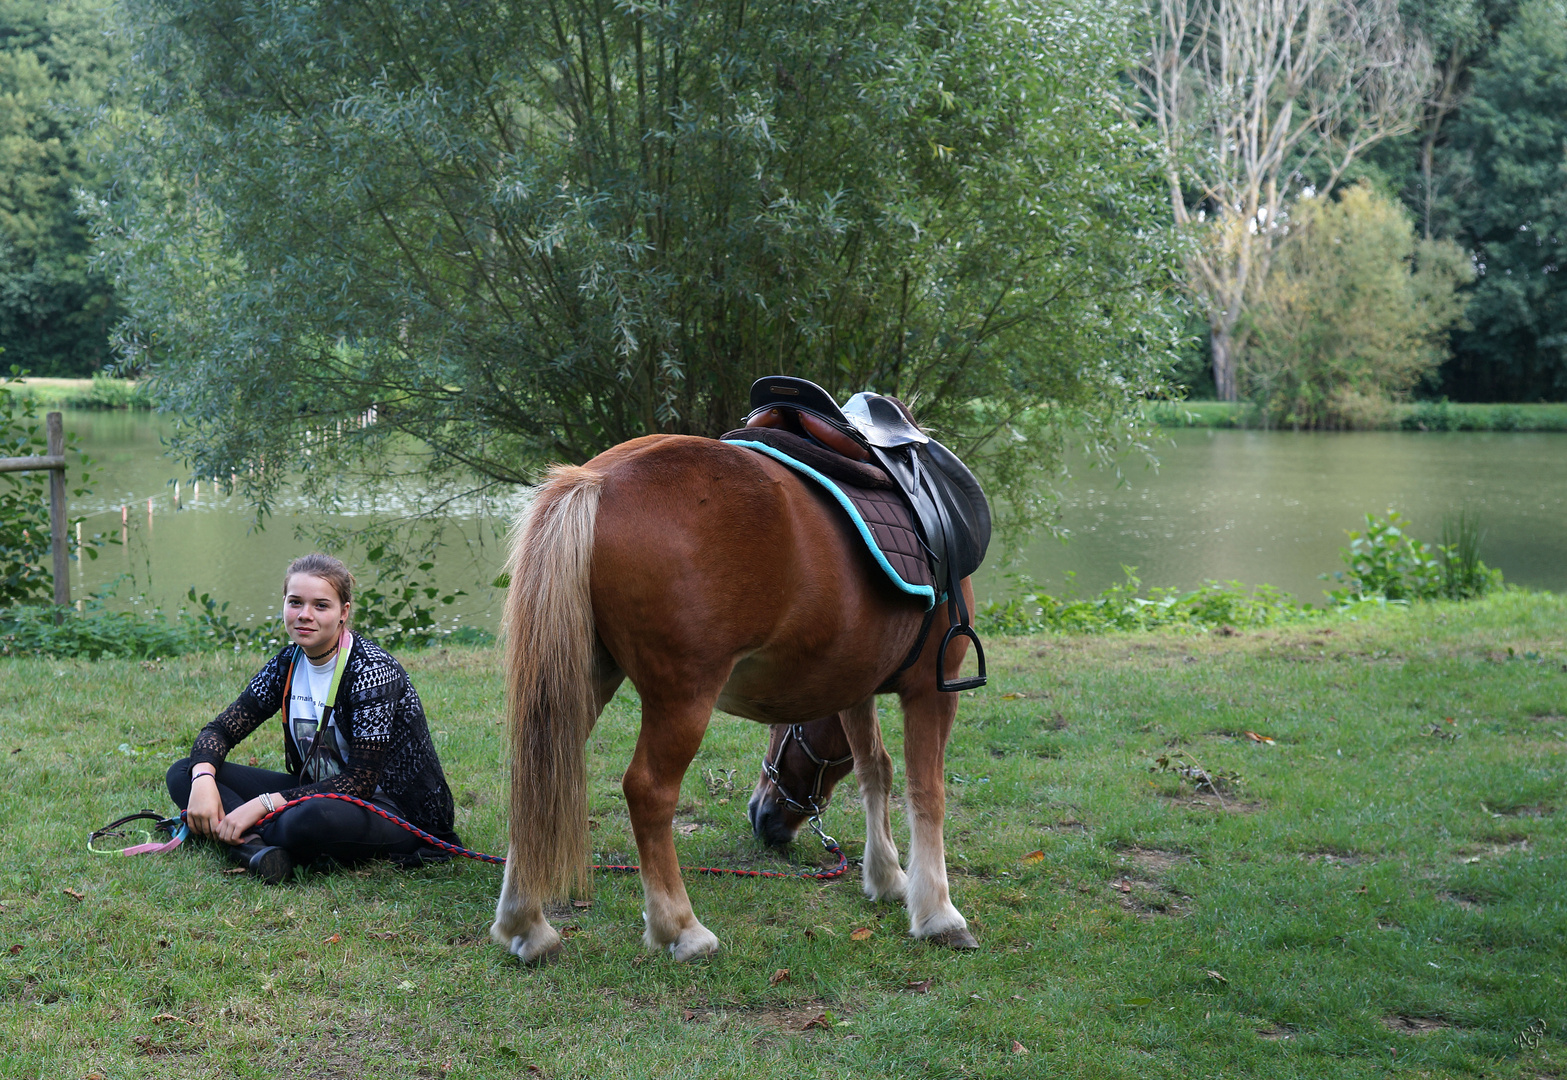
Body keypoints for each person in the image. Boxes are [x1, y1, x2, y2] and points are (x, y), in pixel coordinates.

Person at [166, 554, 462, 883]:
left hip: (392, 810)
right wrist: (204, 780)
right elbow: (220, 730)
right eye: (295, 603)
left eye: (321, 605)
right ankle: (253, 846)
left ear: (343, 613)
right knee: (184, 772)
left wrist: (262, 804)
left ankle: (234, 831)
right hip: (315, 790)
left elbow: (359, 782)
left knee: (307, 818)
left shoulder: (372, 671)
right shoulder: (287, 664)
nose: (305, 615)